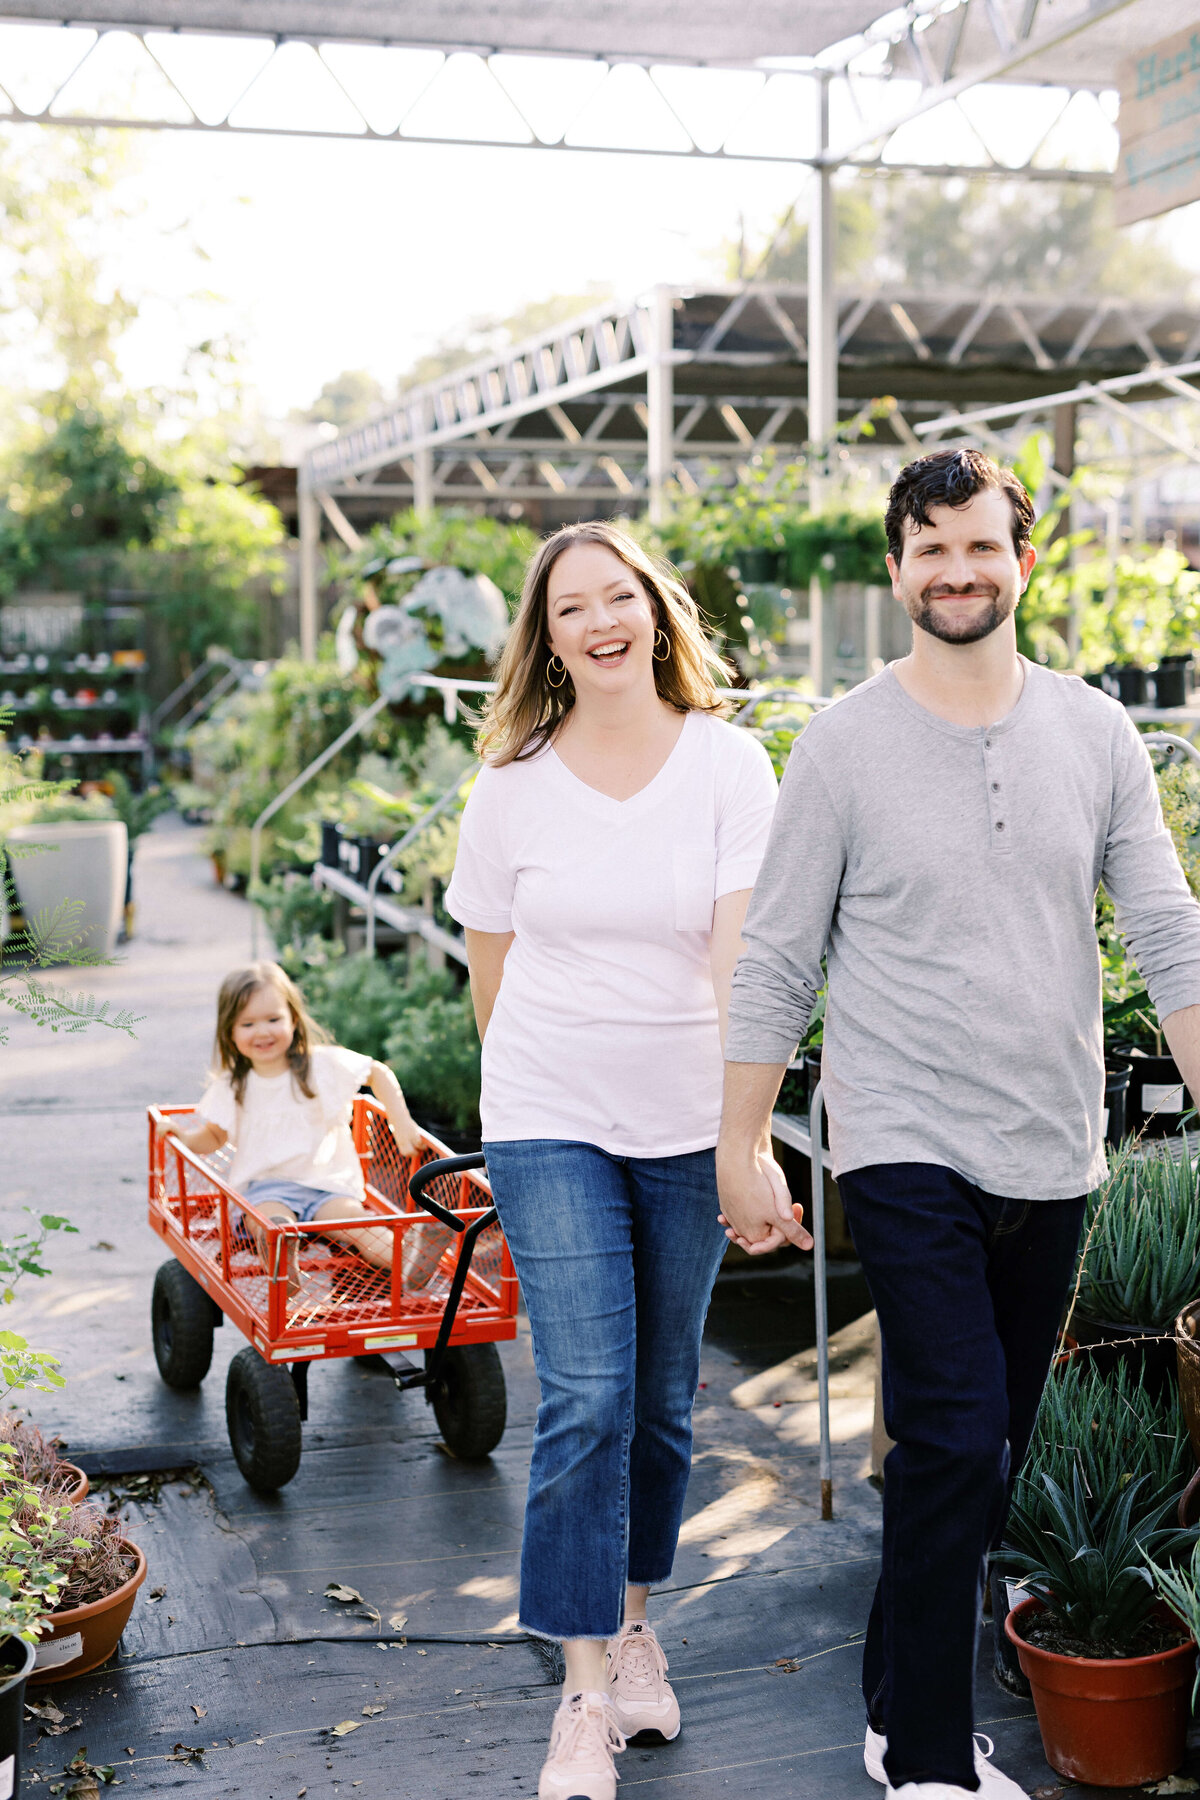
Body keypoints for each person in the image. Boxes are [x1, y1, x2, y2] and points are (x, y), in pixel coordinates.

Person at [716, 448, 1200, 1800]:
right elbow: (777, 952)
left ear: (1021, 561)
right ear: (898, 572)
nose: (957, 571)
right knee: (952, 1431)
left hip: (1050, 1142)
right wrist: (742, 1138)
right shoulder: (846, 743)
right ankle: (928, 1759)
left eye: (978, 546)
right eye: (929, 550)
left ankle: (892, 1695)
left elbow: (1168, 930)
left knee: (982, 1449)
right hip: (901, 1131)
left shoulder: (1099, 734)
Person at [444, 520, 780, 1800]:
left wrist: (744, 1140)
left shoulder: (731, 767)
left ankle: (637, 1624)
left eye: (618, 596)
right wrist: (537, 1088)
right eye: (570, 606)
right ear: (547, 638)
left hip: (688, 1120)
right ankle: (582, 1695)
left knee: (657, 1399)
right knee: (584, 1394)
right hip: (551, 1115)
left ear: (655, 610)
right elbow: (491, 966)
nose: (599, 620)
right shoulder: (512, 784)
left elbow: (740, 959)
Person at [164, 961, 424, 1294]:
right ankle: (283, 1265)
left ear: (293, 1019)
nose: (263, 1032)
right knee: (272, 1223)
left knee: (359, 1226)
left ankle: (412, 1260)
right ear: (229, 1031)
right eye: (248, 1023)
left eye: (274, 1019)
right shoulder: (234, 1085)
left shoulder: (321, 1065)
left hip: (326, 1185)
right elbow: (214, 1136)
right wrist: (182, 1137)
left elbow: (378, 1074)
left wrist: (401, 1124)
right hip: (266, 1188)